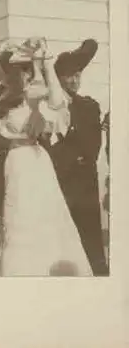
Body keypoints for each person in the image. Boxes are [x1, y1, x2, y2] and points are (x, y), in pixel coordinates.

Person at [0, 37, 92, 276]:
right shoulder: (3, 101)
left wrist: (45, 64)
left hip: (36, 160)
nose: (26, 74)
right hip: (15, 161)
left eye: (27, 68)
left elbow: (58, 102)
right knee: (19, 216)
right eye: (21, 69)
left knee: (44, 215)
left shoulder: (34, 96)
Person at [48, 40, 108, 276]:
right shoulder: (52, 106)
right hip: (61, 181)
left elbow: (92, 147)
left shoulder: (89, 106)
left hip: (84, 183)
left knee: (90, 237)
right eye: (68, 76)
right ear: (59, 78)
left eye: (78, 75)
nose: (74, 81)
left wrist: (73, 154)